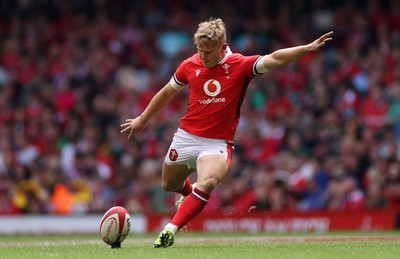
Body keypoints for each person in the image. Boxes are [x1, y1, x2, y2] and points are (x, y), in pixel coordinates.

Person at [120, 17, 333, 248]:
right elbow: (166, 92)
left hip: (216, 144)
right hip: (186, 137)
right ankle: (188, 195)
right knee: (169, 184)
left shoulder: (240, 65)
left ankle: (171, 229)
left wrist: (306, 49)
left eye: (209, 52)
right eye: (200, 50)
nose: (203, 56)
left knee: (208, 181)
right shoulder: (190, 65)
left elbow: (274, 58)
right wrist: (142, 119)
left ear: (223, 47)